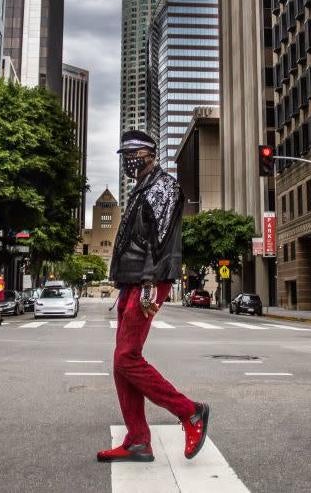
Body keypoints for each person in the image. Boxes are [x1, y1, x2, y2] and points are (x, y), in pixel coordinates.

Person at [96, 130, 209, 464]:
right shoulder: (142, 188)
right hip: (132, 281)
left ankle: (190, 412)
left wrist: (147, 283)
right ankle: (138, 440)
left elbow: (157, 241)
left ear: (147, 154)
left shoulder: (163, 186)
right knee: (122, 363)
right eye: (124, 156)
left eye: (131, 155)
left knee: (126, 357)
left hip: (148, 280)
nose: (127, 161)